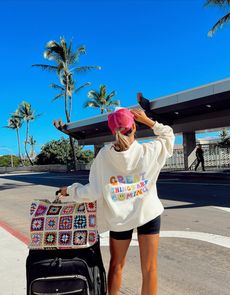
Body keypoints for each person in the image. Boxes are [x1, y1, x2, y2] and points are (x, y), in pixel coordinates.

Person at [60, 108, 175, 295]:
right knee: (149, 269)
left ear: (113, 131)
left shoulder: (105, 156)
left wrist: (70, 190)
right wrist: (149, 121)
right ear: (134, 127)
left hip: (119, 219)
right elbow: (168, 135)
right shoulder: (149, 151)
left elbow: (92, 191)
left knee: (116, 266)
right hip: (149, 214)